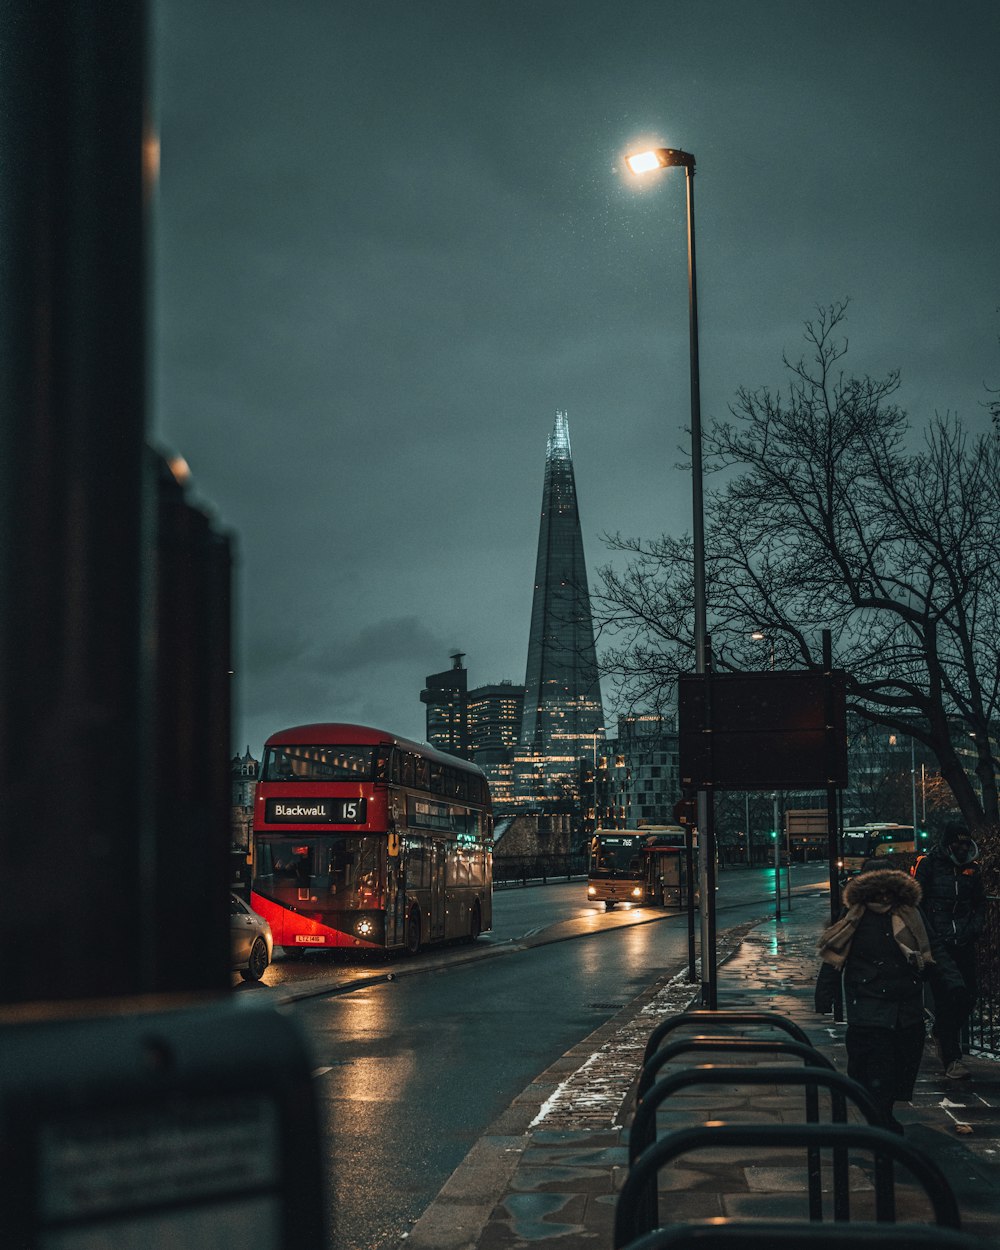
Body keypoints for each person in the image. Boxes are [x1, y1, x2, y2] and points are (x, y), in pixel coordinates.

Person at [815, 860, 961, 1132]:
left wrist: (952, 980)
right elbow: (835, 954)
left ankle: (882, 1113)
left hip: (905, 1008)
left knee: (900, 1066)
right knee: (874, 1067)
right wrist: (826, 992)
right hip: (869, 1005)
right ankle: (881, 1118)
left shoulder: (910, 914)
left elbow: (933, 947)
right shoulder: (853, 916)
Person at [914, 821, 987, 1079]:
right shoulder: (930, 865)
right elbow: (917, 902)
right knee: (947, 999)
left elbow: (979, 903)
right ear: (948, 843)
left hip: (963, 942)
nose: (963, 847)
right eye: (958, 842)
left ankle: (942, 1034)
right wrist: (930, 935)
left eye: (966, 843)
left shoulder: (972, 870)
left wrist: (973, 928)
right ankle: (952, 1060)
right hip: (938, 945)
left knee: (968, 997)